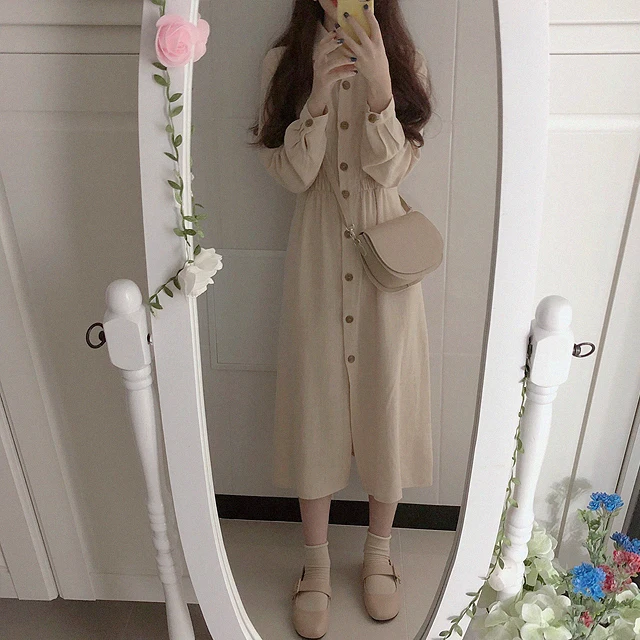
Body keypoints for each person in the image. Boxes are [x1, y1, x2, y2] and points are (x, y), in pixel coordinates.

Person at [250, 0, 434, 637]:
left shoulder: (405, 61)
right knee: (315, 402)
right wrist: (317, 101)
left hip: (386, 260)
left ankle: (379, 554)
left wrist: (382, 90)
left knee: (389, 398)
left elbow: (394, 169)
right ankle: (316, 564)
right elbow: (292, 175)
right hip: (318, 256)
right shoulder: (284, 62)